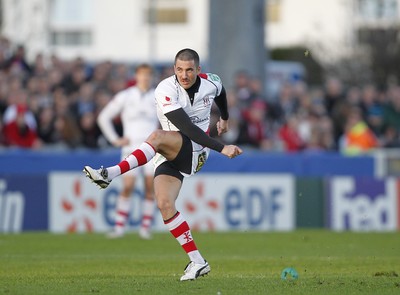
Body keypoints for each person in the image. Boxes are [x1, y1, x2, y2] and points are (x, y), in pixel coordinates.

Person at [83, 48, 242, 281]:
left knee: (156, 137)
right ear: (173, 69)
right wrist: (223, 145)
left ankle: (110, 174)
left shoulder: (212, 81)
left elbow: (220, 93)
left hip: (195, 150)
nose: (184, 75)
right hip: (172, 150)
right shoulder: (166, 89)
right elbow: (185, 126)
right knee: (165, 204)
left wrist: (225, 119)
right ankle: (198, 262)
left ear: (199, 70)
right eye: (179, 70)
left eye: (189, 70)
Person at [97, 64, 158, 239]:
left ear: (151, 77)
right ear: (137, 76)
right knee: (128, 186)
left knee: (149, 186)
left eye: (148, 75)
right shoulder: (126, 96)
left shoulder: (157, 96)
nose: (145, 78)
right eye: (142, 75)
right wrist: (114, 139)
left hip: (151, 148)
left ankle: (145, 228)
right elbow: (103, 117)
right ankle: (119, 227)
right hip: (130, 147)